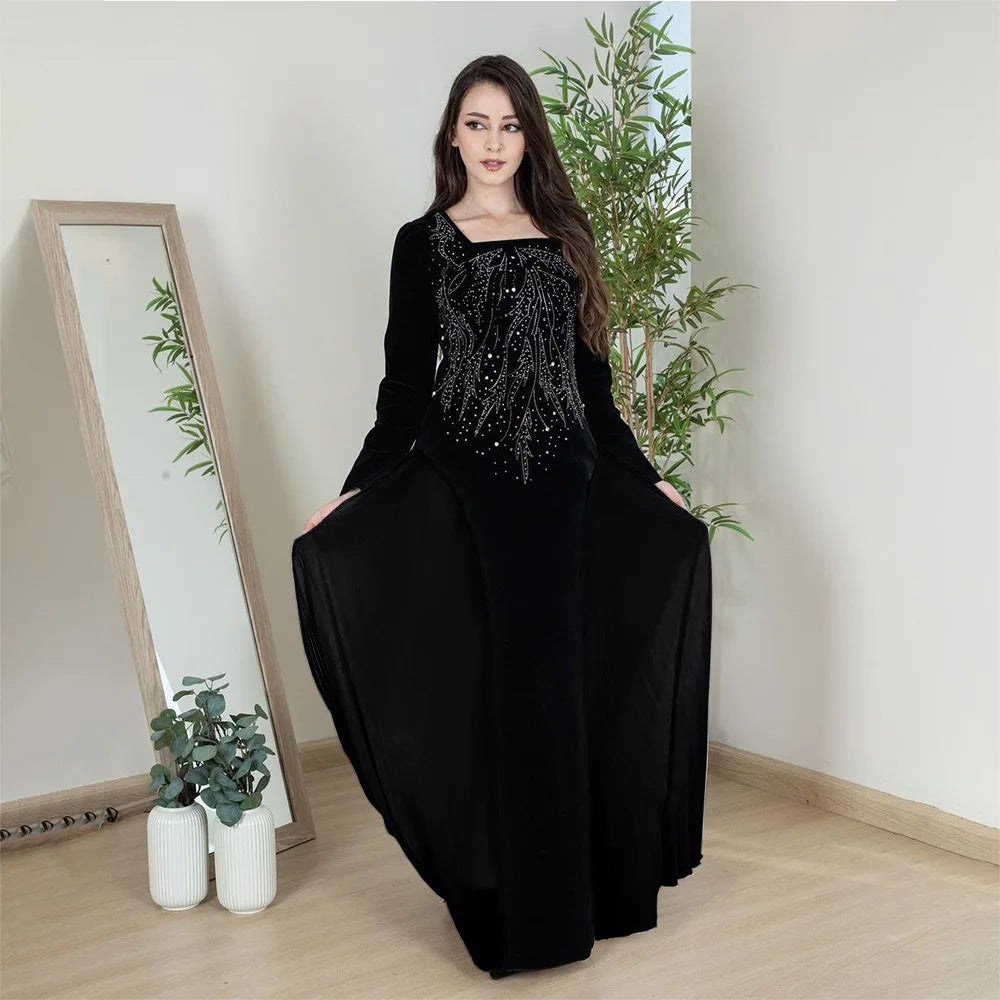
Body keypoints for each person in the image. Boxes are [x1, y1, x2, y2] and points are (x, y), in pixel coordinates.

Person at [291, 54, 712, 979]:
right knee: (501, 690)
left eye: (510, 125)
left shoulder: (565, 234)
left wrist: (647, 480)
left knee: (567, 686)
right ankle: (512, 910)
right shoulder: (422, 242)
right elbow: (406, 389)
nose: (493, 143)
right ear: (452, 134)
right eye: (477, 124)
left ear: (530, 137)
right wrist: (359, 489)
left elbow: (594, 391)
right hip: (473, 492)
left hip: (565, 490)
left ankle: (584, 897)